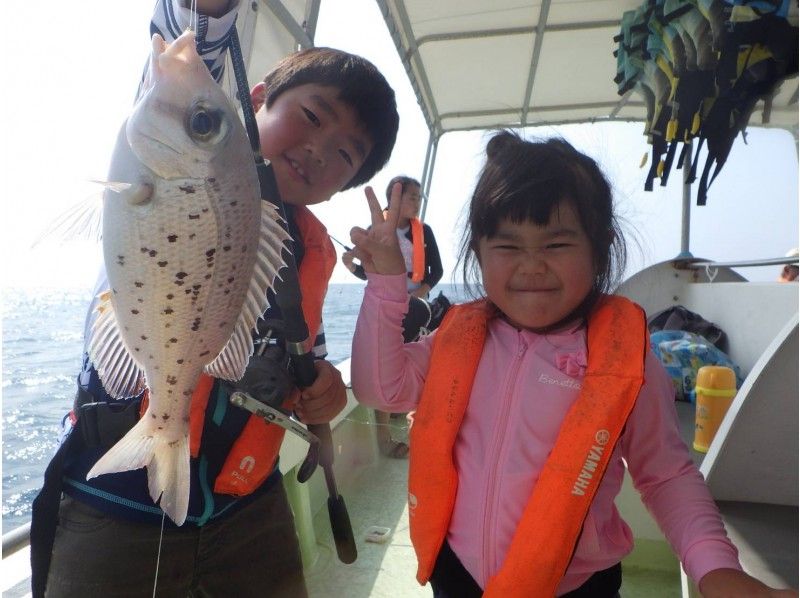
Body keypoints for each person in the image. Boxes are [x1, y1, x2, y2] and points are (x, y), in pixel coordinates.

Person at [32, 2, 399, 597]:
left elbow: (302, 346)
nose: (316, 150)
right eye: (309, 117)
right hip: (111, 501)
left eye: (344, 155)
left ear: (345, 185)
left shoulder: (304, 250)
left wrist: (325, 388)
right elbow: (189, 50)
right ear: (253, 102)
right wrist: (208, 16)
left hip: (246, 507)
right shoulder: (185, 140)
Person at [348, 131, 795, 597]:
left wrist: (717, 569)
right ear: (479, 250)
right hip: (457, 574)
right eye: (508, 246)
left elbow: (666, 474)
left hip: (577, 588)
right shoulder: (458, 339)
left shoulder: (622, 356)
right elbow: (382, 389)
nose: (532, 265)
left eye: (557, 245)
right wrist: (385, 280)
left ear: (598, 247)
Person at [342, 176, 443, 457]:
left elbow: (437, 270)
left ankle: (413, 422)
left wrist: (422, 291)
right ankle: (385, 436)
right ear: (393, 200)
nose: (417, 202)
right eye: (412, 197)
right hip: (390, 307)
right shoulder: (378, 230)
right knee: (389, 364)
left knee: (412, 365)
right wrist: (352, 268)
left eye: (419, 197)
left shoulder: (425, 232)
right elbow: (370, 273)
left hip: (416, 305)